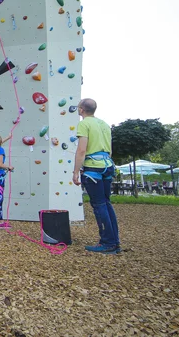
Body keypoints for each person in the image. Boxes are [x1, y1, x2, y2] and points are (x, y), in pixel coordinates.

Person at [72, 98, 120, 254]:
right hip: (107, 166)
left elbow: (81, 150)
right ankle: (114, 241)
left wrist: (75, 172)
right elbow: (110, 150)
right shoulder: (104, 125)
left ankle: (107, 243)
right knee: (106, 203)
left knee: (99, 205)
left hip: (93, 169)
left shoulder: (84, 124)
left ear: (81, 110)